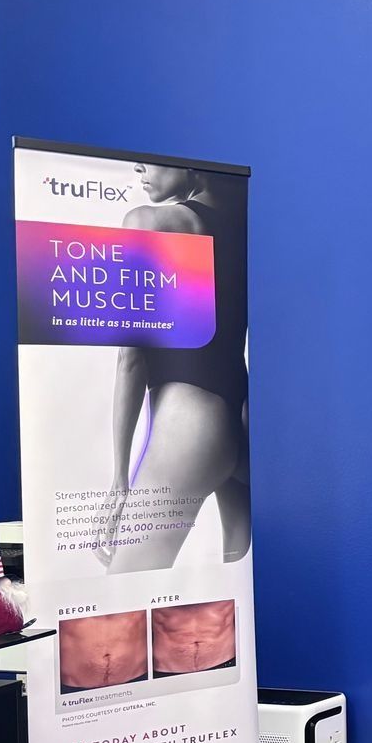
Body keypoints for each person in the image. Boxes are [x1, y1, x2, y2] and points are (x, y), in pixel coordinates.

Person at [96, 165, 250, 572]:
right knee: (240, 589)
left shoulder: (149, 222)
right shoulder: (253, 224)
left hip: (191, 423)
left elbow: (131, 359)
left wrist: (120, 479)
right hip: (248, 418)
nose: (138, 167)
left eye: (149, 159)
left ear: (190, 166)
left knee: (125, 591)